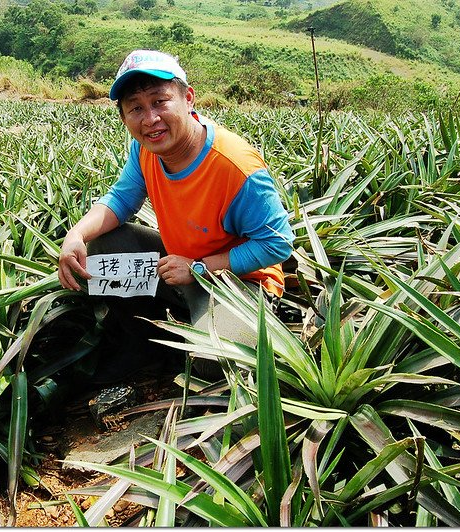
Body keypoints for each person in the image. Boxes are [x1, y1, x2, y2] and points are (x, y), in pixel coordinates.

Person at [58, 49, 294, 383]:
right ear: (124, 117)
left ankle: (199, 333)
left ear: (188, 99)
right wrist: (76, 235)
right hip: (177, 264)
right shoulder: (146, 147)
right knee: (103, 247)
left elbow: (278, 244)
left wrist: (198, 268)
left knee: (216, 364)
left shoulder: (235, 167)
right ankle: (142, 341)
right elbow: (122, 197)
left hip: (238, 280)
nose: (150, 118)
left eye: (159, 101)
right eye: (136, 108)